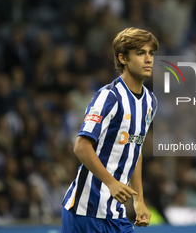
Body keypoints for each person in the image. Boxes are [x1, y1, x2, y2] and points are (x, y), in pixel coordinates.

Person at [61, 27, 159, 233]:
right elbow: (80, 146)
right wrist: (111, 182)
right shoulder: (109, 96)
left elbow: (135, 147)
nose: (148, 59)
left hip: (115, 213)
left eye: (151, 53)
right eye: (140, 53)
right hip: (85, 211)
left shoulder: (150, 101)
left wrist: (139, 200)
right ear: (123, 58)